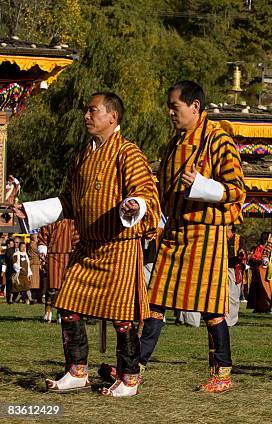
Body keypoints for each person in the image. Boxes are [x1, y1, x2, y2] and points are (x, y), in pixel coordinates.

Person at [14, 92, 161, 396]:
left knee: (123, 317)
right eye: (85, 111)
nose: (86, 116)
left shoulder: (128, 153)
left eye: (93, 111)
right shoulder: (82, 155)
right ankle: (77, 371)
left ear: (112, 117)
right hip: (87, 247)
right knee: (67, 304)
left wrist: (136, 206)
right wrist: (29, 210)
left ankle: (130, 378)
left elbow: (145, 192)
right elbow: (69, 201)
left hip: (119, 244)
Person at [141, 81, 245, 393]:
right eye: (169, 106)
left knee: (212, 307)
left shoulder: (219, 141)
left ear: (195, 106)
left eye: (175, 106)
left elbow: (238, 189)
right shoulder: (172, 144)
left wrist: (204, 186)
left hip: (207, 234)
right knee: (155, 300)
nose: (169, 112)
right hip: (174, 234)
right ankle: (134, 365)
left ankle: (222, 373)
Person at [38, 219, 79, 322]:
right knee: (52, 287)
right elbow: (43, 238)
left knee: (64, 287)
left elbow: (76, 238)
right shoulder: (49, 221)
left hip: (68, 256)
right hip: (52, 256)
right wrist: (43, 253)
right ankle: (48, 310)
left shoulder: (71, 222)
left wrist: (75, 252)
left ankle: (61, 312)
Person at [247, 231, 272, 313]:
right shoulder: (259, 247)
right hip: (259, 270)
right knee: (259, 289)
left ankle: (265, 306)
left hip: (265, 270)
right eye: (270, 237)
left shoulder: (269, 246)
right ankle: (259, 306)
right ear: (266, 239)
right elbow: (256, 257)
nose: (271, 238)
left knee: (265, 288)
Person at [226, 225, 246, 327]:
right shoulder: (220, 237)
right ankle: (224, 319)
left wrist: (242, 252)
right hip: (221, 268)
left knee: (233, 296)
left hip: (234, 269)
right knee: (224, 295)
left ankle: (231, 320)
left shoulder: (239, 239)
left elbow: (243, 251)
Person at [27, 233, 42, 303]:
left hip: (35, 264)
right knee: (33, 283)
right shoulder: (33, 245)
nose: (38, 239)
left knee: (35, 282)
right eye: (36, 237)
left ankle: (35, 297)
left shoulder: (32, 244)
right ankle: (32, 298)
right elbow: (39, 251)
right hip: (34, 264)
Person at [2, 238, 16, 303]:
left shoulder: (14, 250)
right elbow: (4, 262)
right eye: (11, 244)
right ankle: (9, 299)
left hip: (14, 270)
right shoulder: (7, 251)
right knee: (9, 285)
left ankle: (12, 298)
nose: (12, 245)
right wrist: (3, 271)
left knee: (13, 285)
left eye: (12, 243)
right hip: (9, 270)